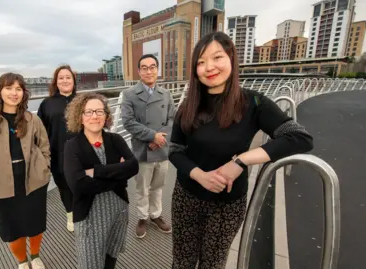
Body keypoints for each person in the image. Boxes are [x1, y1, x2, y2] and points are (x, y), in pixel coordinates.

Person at [168, 32, 314, 268]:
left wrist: (241, 161)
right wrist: (200, 176)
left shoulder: (253, 103)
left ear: (232, 59)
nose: (209, 67)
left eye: (217, 58)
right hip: (186, 197)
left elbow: (299, 137)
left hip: (227, 204)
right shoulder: (189, 105)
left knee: (213, 263)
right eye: (201, 62)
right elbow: (175, 150)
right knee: (181, 261)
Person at [0, 72, 51, 269]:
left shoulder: (32, 120)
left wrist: (44, 168)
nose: (14, 93)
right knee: (11, 228)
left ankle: (36, 256)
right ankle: (22, 261)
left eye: (18, 89)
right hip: (0, 186)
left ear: (24, 93)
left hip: (34, 181)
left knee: (35, 223)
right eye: (9, 88)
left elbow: (45, 147)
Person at [63, 93, 139, 269]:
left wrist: (96, 171)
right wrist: (118, 176)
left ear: (106, 116)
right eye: (88, 112)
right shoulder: (72, 146)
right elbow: (78, 185)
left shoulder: (116, 140)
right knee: (90, 263)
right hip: (89, 217)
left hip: (118, 211)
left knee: (111, 256)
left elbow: (133, 166)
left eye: (99, 111)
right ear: (80, 117)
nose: (94, 116)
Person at [121, 54, 176, 238]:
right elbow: (128, 122)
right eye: (144, 67)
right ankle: (143, 217)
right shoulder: (129, 94)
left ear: (157, 70)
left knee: (158, 185)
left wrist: (160, 139)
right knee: (142, 187)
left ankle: (156, 214)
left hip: (161, 149)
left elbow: (172, 119)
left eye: (152, 67)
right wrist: (153, 136)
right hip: (143, 149)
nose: (149, 70)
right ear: (139, 71)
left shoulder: (166, 94)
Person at [37, 65, 77, 232]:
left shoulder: (84, 100)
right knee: (64, 185)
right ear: (56, 82)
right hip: (57, 152)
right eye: (61, 78)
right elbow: (40, 130)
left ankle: (86, 211)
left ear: (74, 81)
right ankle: (71, 214)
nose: (65, 80)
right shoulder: (47, 104)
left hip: (82, 152)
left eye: (68, 77)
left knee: (85, 181)